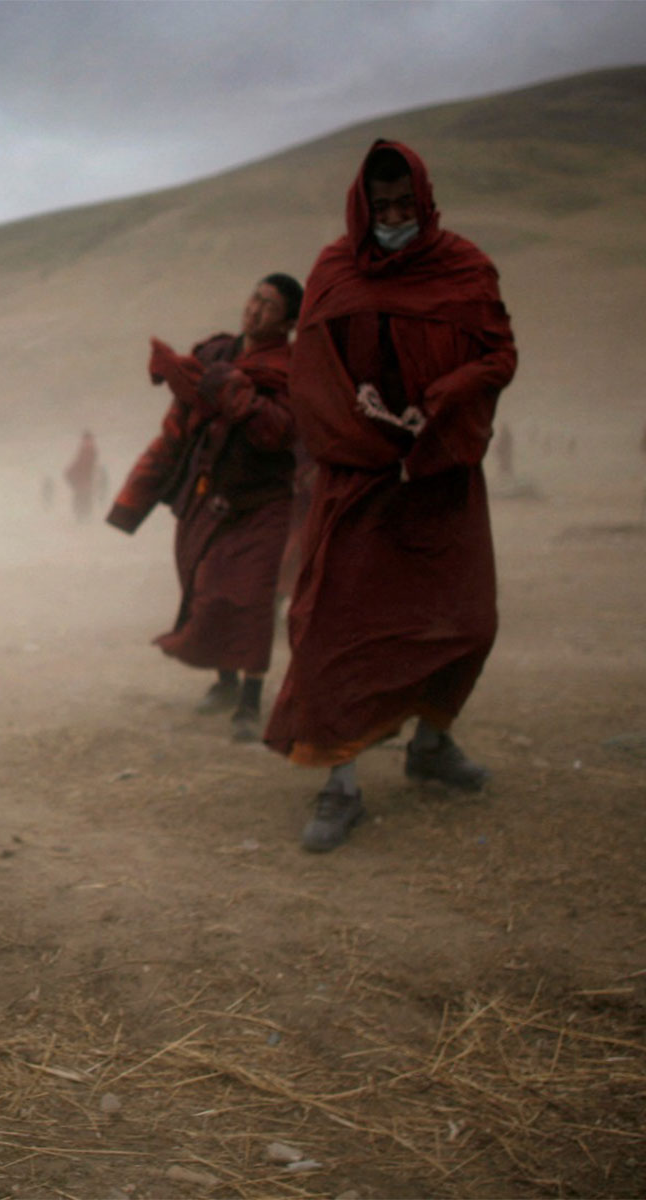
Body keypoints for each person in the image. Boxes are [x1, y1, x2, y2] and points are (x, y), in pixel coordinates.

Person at [264, 140, 517, 852]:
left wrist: (445, 401)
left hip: (441, 478)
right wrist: (372, 445)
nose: (396, 218)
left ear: (426, 201)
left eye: (407, 205)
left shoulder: (464, 269)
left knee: (464, 621)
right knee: (333, 631)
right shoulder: (335, 271)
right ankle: (340, 784)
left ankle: (431, 744)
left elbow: (499, 355)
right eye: (383, 207)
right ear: (362, 206)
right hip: (359, 478)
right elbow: (314, 377)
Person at [107, 273, 303, 741]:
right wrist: (134, 498)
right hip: (208, 498)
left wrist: (237, 394)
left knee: (253, 599)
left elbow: (282, 432)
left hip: (263, 502)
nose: (255, 310)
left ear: (288, 322)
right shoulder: (216, 354)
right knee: (209, 593)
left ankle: (250, 702)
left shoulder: (292, 369)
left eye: (269, 306)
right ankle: (226, 683)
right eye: (255, 298)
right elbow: (177, 429)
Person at [65, 430, 99, 520]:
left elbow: (88, 467)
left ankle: (83, 515)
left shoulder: (90, 452)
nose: (87, 442)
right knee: (81, 497)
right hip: (81, 479)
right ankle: (81, 515)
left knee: (84, 497)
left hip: (85, 480)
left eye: (89, 440)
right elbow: (79, 464)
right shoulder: (83, 451)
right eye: (85, 440)